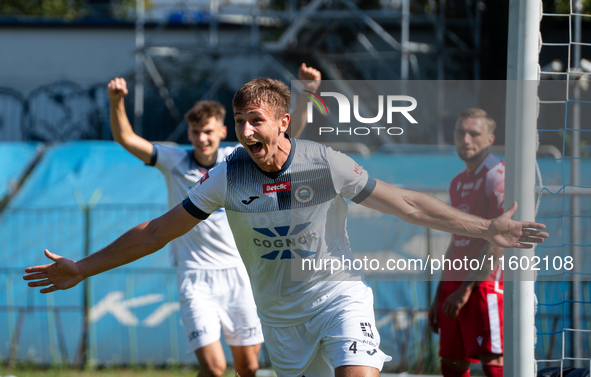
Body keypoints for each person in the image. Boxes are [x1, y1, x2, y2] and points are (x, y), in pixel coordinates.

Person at [24, 80, 548, 377]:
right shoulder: (226, 177)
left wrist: (488, 226)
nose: (246, 131)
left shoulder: (326, 163)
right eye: (240, 121)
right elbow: (155, 231)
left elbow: (407, 203)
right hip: (281, 321)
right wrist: (82, 268)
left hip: (339, 298)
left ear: (282, 123)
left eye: (256, 120)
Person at [105, 63, 321, 377]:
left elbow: (289, 133)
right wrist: (116, 101)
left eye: (208, 131)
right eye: (195, 132)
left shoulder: (236, 160)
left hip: (239, 275)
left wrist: (308, 93)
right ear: (189, 133)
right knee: (216, 367)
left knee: (247, 368)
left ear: (221, 131)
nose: (202, 139)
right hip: (195, 277)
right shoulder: (172, 160)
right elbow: (125, 137)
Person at [428, 108, 506, 377]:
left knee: (494, 362)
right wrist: (440, 293)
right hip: (455, 285)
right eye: (461, 132)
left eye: (474, 133)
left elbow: (499, 240)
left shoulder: (496, 175)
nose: (466, 139)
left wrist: (465, 290)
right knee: (452, 364)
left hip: (482, 285)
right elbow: (456, 240)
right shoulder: (457, 181)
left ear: (489, 139)